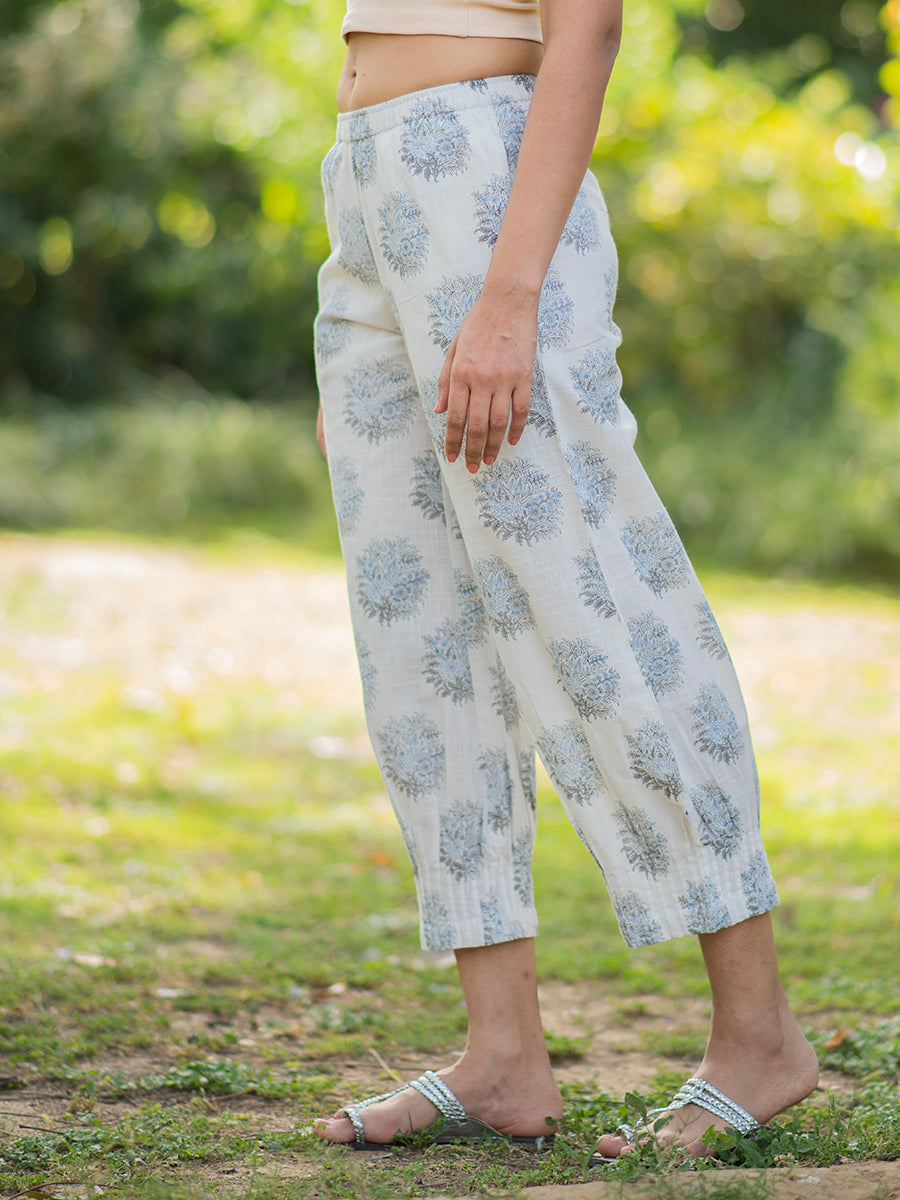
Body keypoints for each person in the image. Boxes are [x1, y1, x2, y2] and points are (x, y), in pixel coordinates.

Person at [311, 0, 819, 1159]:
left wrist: (509, 294)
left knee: (598, 610)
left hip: (489, 184)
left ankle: (760, 1037)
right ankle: (502, 1055)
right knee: (422, 642)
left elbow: (586, 27)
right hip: (372, 183)